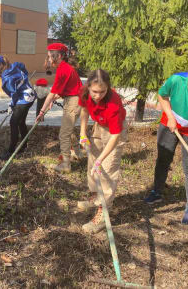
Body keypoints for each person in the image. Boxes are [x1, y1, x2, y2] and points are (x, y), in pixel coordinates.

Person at [144, 55, 188, 225]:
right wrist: (169, 116)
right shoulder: (176, 80)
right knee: (163, 158)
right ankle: (157, 191)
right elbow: (162, 96)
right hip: (169, 122)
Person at [77, 69, 127, 234]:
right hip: (99, 127)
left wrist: (101, 160)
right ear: (88, 87)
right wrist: (83, 133)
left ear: (108, 88)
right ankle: (94, 198)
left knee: (106, 170)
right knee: (92, 165)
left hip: (114, 133)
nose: (98, 95)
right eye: (95, 92)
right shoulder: (84, 93)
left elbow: (114, 137)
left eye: (102, 91)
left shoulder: (113, 103)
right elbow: (84, 110)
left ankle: (103, 214)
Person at [36, 43, 83, 173]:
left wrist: (41, 111)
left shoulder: (63, 69)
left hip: (73, 102)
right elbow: (65, 88)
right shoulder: (66, 68)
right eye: (49, 56)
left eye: (51, 56)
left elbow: (51, 93)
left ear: (60, 56)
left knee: (64, 134)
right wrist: (55, 98)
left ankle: (66, 164)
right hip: (74, 100)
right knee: (69, 130)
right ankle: (78, 154)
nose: (49, 59)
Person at [0, 54, 36, 160]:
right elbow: (22, 65)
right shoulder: (14, 66)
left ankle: (11, 151)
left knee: (13, 122)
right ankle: (24, 145)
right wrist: (25, 78)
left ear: (0, 65)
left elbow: (14, 95)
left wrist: (12, 105)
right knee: (21, 121)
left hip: (24, 99)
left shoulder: (7, 79)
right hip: (31, 94)